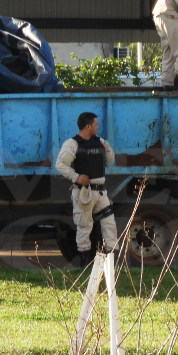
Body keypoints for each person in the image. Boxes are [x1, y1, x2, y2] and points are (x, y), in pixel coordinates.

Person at [56, 112, 117, 264]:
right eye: (96, 124)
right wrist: (76, 177)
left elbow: (110, 160)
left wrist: (106, 149)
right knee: (84, 225)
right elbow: (60, 165)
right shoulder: (72, 144)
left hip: (101, 192)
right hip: (84, 193)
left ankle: (111, 259)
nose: (98, 126)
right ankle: (85, 262)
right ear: (88, 126)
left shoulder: (100, 141)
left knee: (109, 223)